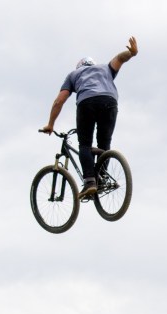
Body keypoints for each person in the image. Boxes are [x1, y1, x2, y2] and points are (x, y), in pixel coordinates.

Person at [40, 37, 139, 199]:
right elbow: (120, 58)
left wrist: (50, 124)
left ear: (79, 67)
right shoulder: (105, 68)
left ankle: (90, 182)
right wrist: (132, 53)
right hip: (110, 102)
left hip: (87, 102)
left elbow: (59, 101)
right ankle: (102, 178)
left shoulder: (73, 74)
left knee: (84, 144)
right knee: (104, 143)